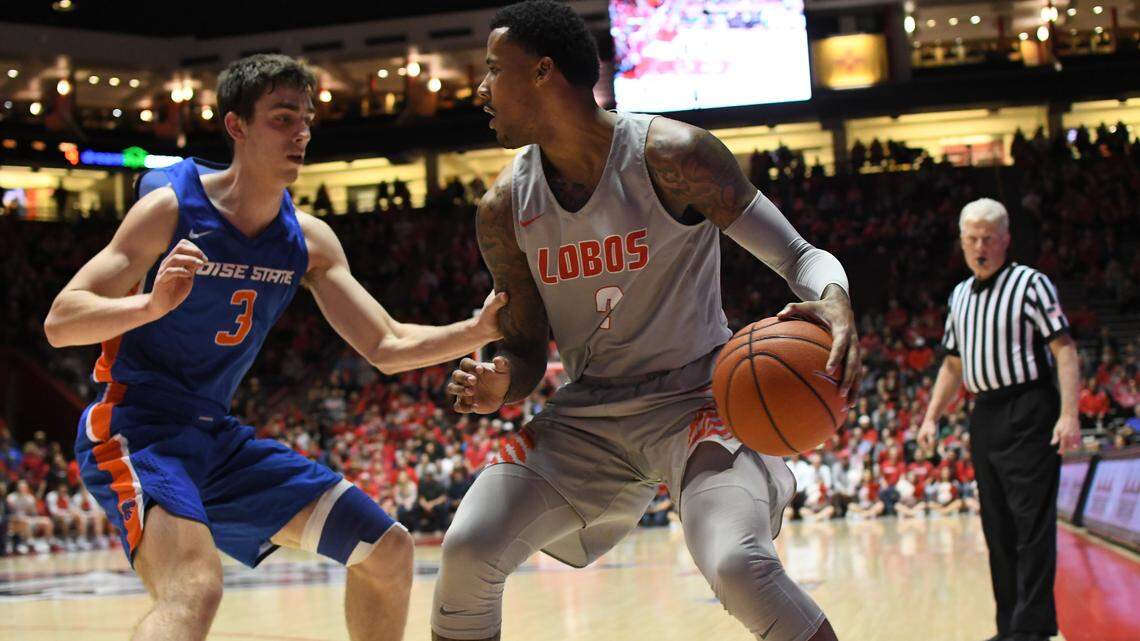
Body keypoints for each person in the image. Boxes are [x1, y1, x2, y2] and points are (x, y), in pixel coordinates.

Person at [43, 54, 505, 641]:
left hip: (215, 436)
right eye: (283, 118)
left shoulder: (308, 240)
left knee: (386, 550)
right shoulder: (170, 209)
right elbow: (61, 321)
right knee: (194, 588)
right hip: (136, 428)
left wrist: (477, 330)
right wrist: (150, 306)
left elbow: (386, 345)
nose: (301, 133)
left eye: (306, 120)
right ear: (236, 126)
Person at [437, 3, 860, 640]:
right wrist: (504, 381)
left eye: (495, 69)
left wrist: (836, 298)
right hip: (590, 414)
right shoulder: (503, 208)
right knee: (468, 549)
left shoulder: (673, 156)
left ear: (544, 72)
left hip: (700, 399)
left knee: (739, 566)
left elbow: (798, 256)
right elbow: (524, 350)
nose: (481, 88)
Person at [920, 198, 1081, 641]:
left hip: (1029, 409)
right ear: (962, 242)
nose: (980, 247)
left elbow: (1064, 349)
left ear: (1006, 239)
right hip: (985, 414)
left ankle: (1031, 629)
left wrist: (1069, 413)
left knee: (1031, 525)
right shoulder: (959, 295)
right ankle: (1010, 626)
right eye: (972, 239)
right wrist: (931, 417)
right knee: (997, 527)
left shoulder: (1031, 284)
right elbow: (953, 365)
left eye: (988, 239)